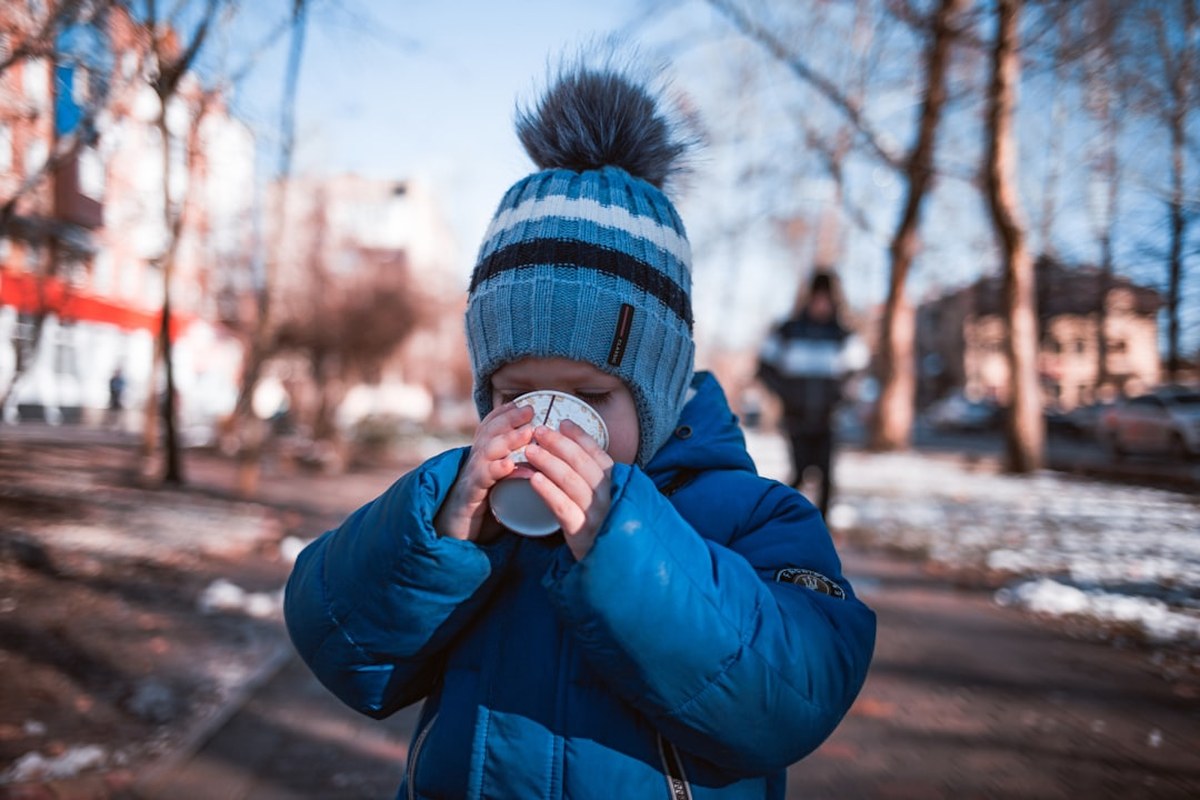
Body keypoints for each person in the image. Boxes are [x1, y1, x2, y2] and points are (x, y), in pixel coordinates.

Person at [284, 60, 875, 799]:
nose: (545, 420)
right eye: (514, 392)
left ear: (658, 389)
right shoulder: (475, 520)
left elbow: (792, 694)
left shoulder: (751, 517)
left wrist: (624, 542)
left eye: (591, 395)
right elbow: (338, 641)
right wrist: (444, 533)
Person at [756, 270, 859, 521]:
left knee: (827, 477)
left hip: (828, 418)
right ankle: (781, 522)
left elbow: (857, 371)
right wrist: (785, 395)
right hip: (796, 417)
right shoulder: (787, 331)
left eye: (826, 299)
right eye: (817, 298)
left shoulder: (843, 335)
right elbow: (764, 368)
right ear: (810, 299)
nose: (821, 305)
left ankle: (822, 529)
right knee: (800, 473)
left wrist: (840, 398)